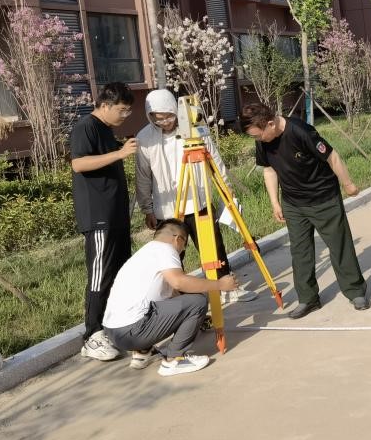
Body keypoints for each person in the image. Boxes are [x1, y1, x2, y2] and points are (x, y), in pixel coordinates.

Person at [241, 103, 370, 318]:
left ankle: (356, 291)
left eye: (258, 135)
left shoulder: (301, 132)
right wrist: (275, 203)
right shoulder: (263, 141)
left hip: (323, 198)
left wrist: (348, 184)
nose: (258, 140)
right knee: (300, 252)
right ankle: (308, 299)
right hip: (293, 203)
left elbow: (332, 156)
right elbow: (269, 170)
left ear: (270, 124)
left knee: (339, 246)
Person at [135, 89, 256, 306]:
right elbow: (142, 176)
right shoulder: (144, 138)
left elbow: (214, 159)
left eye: (168, 116)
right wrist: (147, 208)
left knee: (214, 248)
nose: (164, 122)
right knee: (171, 256)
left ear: (175, 110)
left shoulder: (194, 127)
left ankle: (226, 287)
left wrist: (226, 189)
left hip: (199, 200)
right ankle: (177, 299)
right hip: (167, 208)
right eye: (158, 118)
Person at [103, 220, 236, 376]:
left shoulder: (145, 253)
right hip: (133, 330)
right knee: (198, 302)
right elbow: (179, 282)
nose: (182, 250)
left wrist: (192, 318)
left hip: (114, 332)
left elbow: (170, 294)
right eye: (184, 245)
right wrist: (219, 284)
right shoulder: (166, 249)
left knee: (177, 303)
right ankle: (174, 360)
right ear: (178, 239)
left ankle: (143, 351)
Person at [71, 82, 137, 361]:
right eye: (122, 110)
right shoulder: (86, 127)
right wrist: (120, 153)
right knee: (100, 274)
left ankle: (112, 326)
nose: (125, 116)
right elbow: (78, 164)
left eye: (128, 111)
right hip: (98, 216)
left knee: (120, 273)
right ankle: (92, 335)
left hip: (116, 215)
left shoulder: (107, 130)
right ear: (105, 105)